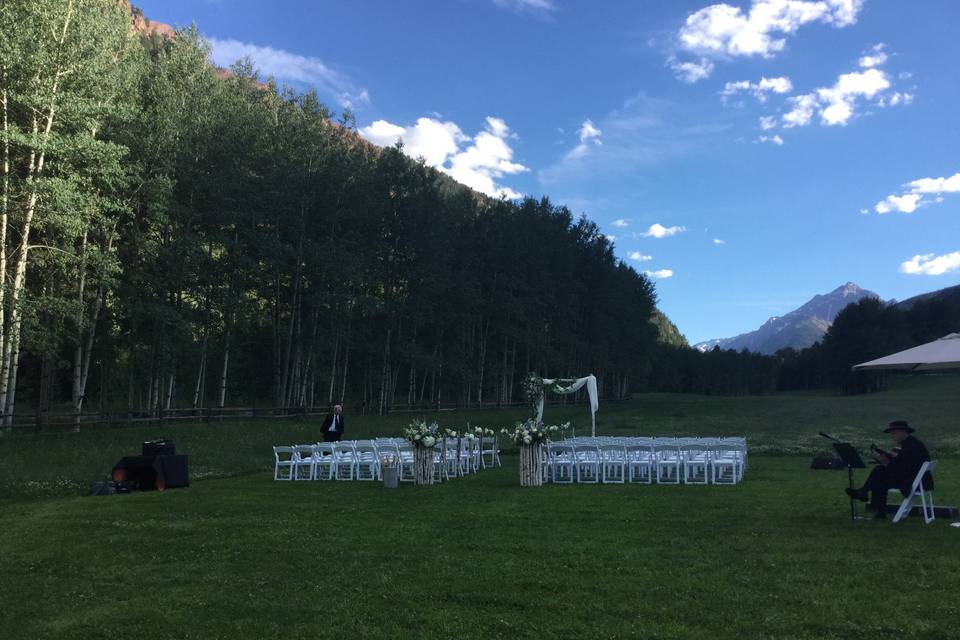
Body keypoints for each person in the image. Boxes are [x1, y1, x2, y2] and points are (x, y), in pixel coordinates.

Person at [846, 420, 931, 519]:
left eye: (894, 433)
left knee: (879, 475)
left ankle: (866, 496)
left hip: (912, 480)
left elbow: (904, 470)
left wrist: (887, 464)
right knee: (879, 473)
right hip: (915, 478)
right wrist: (890, 459)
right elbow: (903, 464)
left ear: (903, 432)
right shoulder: (911, 443)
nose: (892, 436)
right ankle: (867, 497)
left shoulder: (911, 446)